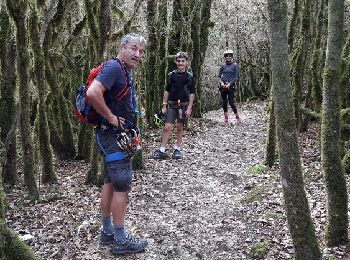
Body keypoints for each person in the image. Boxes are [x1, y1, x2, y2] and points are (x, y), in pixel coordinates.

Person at [86, 33, 148, 255]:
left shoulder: (122, 71)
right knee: (122, 185)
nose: (137, 54)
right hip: (113, 137)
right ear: (121, 47)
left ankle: (107, 233)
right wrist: (112, 119)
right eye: (133, 48)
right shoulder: (114, 67)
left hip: (111, 137)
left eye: (141, 51)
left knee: (110, 182)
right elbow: (93, 93)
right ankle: (120, 240)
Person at [152, 51, 195, 160]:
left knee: (180, 127)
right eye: (179, 61)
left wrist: (189, 108)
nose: (181, 63)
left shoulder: (189, 77)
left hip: (184, 105)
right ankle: (162, 150)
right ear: (176, 62)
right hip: (172, 104)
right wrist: (164, 106)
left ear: (186, 63)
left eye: (183, 61)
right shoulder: (171, 75)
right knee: (167, 127)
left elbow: (192, 93)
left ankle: (177, 149)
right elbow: (167, 91)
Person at [218, 49, 241, 123]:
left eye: (229, 56)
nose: (228, 57)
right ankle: (226, 117)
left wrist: (229, 84)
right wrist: (221, 83)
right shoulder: (223, 66)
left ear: (231, 57)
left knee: (231, 102)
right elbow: (219, 76)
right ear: (225, 57)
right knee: (224, 102)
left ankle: (237, 116)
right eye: (227, 56)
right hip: (223, 86)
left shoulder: (235, 65)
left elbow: (236, 77)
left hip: (231, 86)